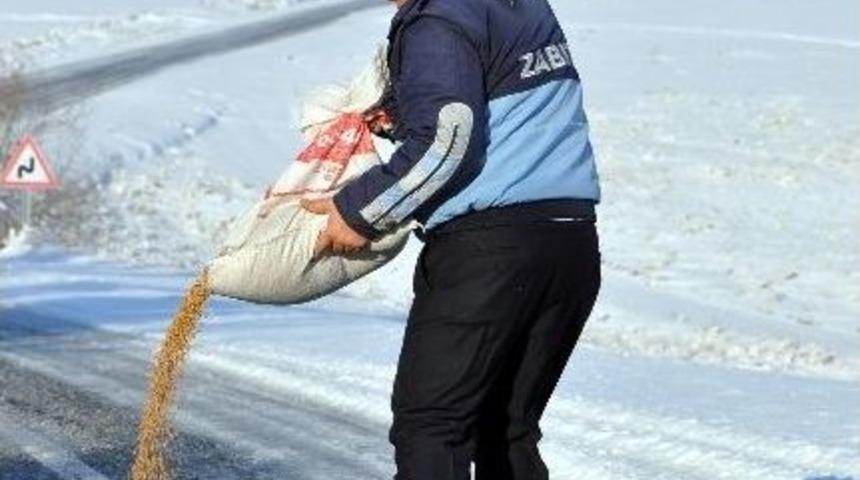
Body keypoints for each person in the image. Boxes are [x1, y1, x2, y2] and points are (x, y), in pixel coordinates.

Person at [301, 0, 601, 478]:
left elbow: (447, 142)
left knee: (432, 429)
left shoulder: (438, 18)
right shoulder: (517, 5)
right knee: (504, 432)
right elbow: (487, 103)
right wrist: (402, 113)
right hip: (570, 243)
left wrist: (357, 213)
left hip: (490, 254)